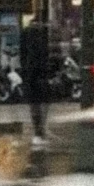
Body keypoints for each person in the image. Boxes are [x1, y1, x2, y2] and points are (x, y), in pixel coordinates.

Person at [20, 14, 52, 144]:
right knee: (41, 103)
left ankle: (38, 131)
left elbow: (23, 54)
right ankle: (40, 131)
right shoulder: (41, 36)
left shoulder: (26, 35)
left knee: (34, 104)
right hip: (40, 74)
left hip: (30, 74)